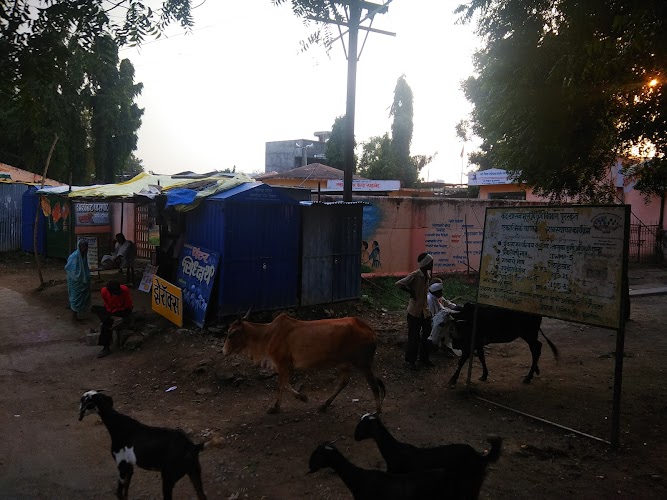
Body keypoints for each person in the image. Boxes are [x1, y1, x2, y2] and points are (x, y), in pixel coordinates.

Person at [395, 252, 434, 370]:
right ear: (425, 263)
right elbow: (399, 284)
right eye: (431, 262)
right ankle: (410, 361)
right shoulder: (415, 275)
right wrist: (410, 292)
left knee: (427, 335)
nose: (432, 264)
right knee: (413, 338)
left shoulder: (427, 275)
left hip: (425, 311)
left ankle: (424, 358)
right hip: (414, 311)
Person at [92, 279, 134, 358]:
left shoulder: (124, 290)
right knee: (95, 309)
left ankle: (106, 347)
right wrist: (111, 314)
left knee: (106, 323)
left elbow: (128, 305)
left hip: (122, 310)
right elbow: (106, 304)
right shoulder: (104, 291)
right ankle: (106, 347)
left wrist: (117, 312)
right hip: (110, 310)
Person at [65, 239, 91, 321]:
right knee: (75, 297)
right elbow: (69, 268)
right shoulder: (74, 256)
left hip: (83, 281)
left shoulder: (83, 255)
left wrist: (86, 276)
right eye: (82, 246)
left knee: (82, 297)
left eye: (85, 246)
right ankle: (74, 317)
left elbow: (85, 268)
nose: (84, 248)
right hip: (75, 281)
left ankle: (79, 313)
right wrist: (78, 277)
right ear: (79, 246)